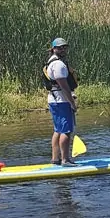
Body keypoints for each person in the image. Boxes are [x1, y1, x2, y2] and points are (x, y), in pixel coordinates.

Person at [43, 37, 78, 166]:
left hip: (54, 99)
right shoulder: (58, 64)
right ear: (53, 49)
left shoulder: (51, 62)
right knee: (66, 130)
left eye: (64, 47)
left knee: (58, 130)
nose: (63, 49)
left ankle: (55, 159)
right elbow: (64, 86)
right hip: (61, 101)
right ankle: (65, 160)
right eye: (59, 47)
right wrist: (72, 102)